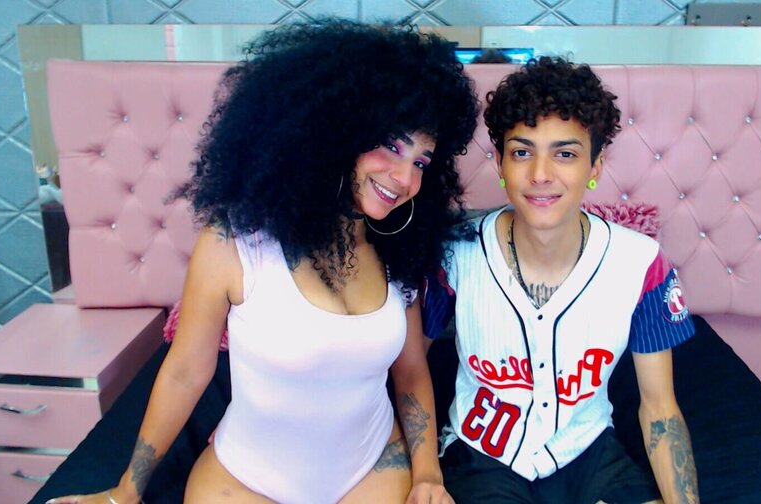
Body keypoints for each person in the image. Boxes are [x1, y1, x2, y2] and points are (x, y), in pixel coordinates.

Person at [47, 19, 477, 504]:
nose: (404, 178)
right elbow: (185, 371)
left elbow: (412, 371)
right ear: (336, 130)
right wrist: (126, 490)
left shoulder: (400, 251)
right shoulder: (235, 244)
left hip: (375, 468)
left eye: (421, 161)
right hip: (247, 480)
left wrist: (428, 475)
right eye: (392, 145)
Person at [424, 57, 700, 503]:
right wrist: (425, 473)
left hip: (588, 452)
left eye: (565, 154)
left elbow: (660, 408)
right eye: (522, 152)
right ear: (501, 164)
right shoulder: (455, 254)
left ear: (595, 167)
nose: (540, 175)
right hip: (482, 455)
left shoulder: (640, 263)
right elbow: (407, 370)